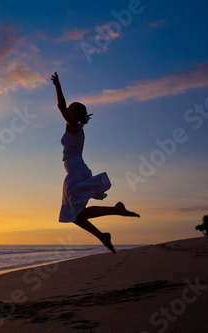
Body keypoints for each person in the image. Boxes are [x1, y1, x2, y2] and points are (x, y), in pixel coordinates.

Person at [51, 72, 140, 253]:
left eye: (72, 107)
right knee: (74, 215)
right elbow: (65, 109)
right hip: (75, 170)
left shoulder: (74, 127)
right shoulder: (74, 127)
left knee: (74, 213)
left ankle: (116, 210)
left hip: (76, 170)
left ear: (75, 113)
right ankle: (102, 235)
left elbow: (60, 106)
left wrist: (57, 86)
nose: (68, 107)